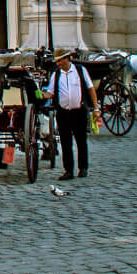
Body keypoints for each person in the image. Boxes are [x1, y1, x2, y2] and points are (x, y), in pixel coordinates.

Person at [47, 49, 94, 181]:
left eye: (60, 60)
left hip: (78, 110)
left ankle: (83, 168)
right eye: (57, 61)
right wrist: (40, 94)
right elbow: (50, 93)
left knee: (81, 140)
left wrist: (95, 108)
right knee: (65, 142)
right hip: (63, 112)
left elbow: (90, 88)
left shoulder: (80, 70)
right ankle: (68, 170)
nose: (58, 64)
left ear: (67, 59)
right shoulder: (56, 74)